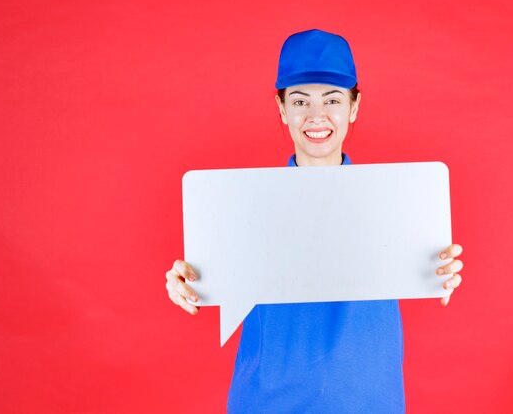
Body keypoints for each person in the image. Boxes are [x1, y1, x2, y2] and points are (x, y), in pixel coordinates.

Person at [165, 29, 464, 413]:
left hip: (366, 398)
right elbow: (207, 280)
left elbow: (430, 268)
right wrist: (186, 282)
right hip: (266, 399)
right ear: (281, 108)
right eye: (300, 100)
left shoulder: (396, 202)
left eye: (333, 100)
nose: (316, 116)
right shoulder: (243, 205)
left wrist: (441, 270)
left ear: (354, 107)